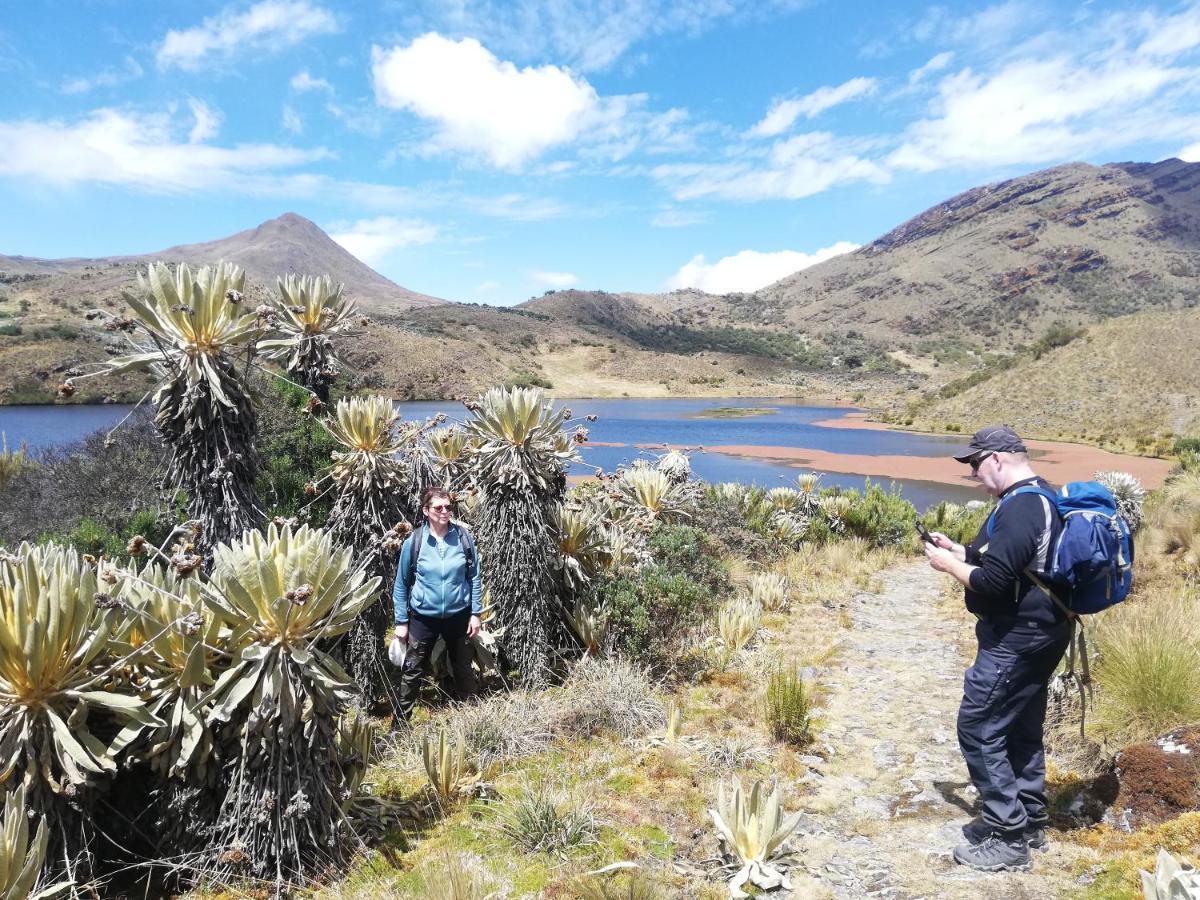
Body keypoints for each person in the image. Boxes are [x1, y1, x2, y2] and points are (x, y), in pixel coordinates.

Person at [923, 425, 1071, 872]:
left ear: (998, 459)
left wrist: (949, 565)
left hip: (1018, 638)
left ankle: (1008, 836)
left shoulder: (1023, 506)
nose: (972, 474)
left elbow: (992, 580)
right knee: (1021, 726)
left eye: (974, 464)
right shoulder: (1037, 496)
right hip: (1039, 633)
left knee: (979, 726)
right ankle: (1029, 819)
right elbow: (1006, 560)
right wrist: (961, 549)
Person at [392, 487, 483, 723]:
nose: (445, 511)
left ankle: (472, 721)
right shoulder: (414, 542)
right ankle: (400, 724)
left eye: (449, 507)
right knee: (412, 671)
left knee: (463, 668)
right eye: (438, 507)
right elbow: (401, 584)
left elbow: (474, 577)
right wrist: (402, 622)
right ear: (426, 510)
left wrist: (475, 614)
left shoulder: (463, 537)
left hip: (458, 615)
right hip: (424, 617)